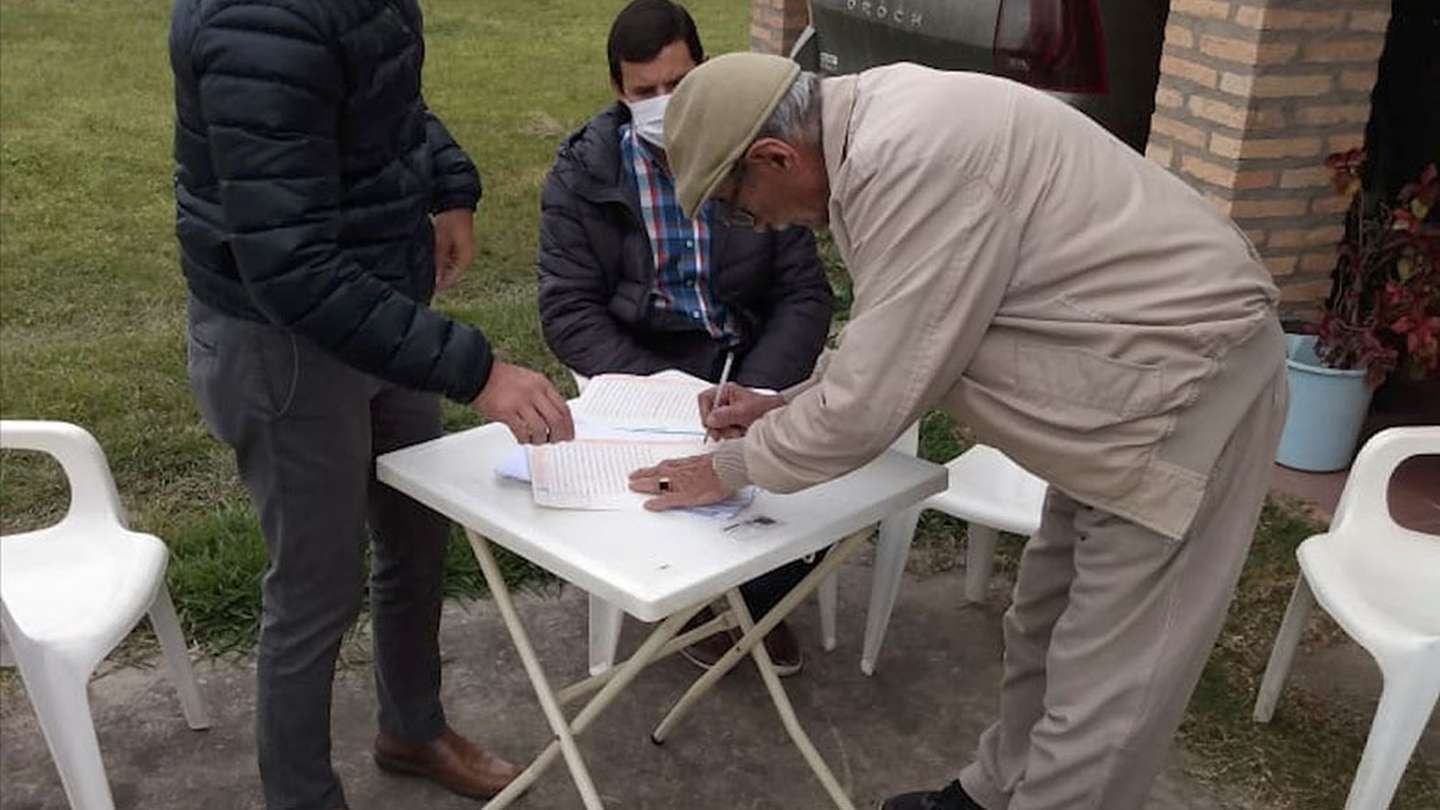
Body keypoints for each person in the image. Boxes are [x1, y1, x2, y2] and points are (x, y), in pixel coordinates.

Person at [631, 53, 1289, 810]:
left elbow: (872, 402)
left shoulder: (911, 159)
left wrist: (733, 465)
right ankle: (990, 794)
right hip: (1113, 393)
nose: (759, 224)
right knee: (1041, 624)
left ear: (775, 156)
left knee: (1109, 692)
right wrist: (785, 406)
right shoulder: (871, 138)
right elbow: (904, 333)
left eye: (740, 207)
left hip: (1184, 398)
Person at [170, 2, 574, 808]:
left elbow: (385, 101)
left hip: (383, 306)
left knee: (415, 539)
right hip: (284, 341)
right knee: (316, 592)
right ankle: (302, 795)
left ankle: (411, 728)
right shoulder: (254, 22)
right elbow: (289, 266)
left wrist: (449, 185)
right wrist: (478, 370)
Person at [537, 1, 834, 675]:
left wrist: (758, 386)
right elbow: (568, 311)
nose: (663, 103)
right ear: (618, 91)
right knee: (674, 467)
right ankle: (703, 595)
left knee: (808, 466)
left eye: (677, 83)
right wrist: (668, 392)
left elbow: (803, 292)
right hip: (648, 366)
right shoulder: (583, 177)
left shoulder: (757, 151)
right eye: (645, 92)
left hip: (747, 358)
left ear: (704, 68)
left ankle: (757, 596)